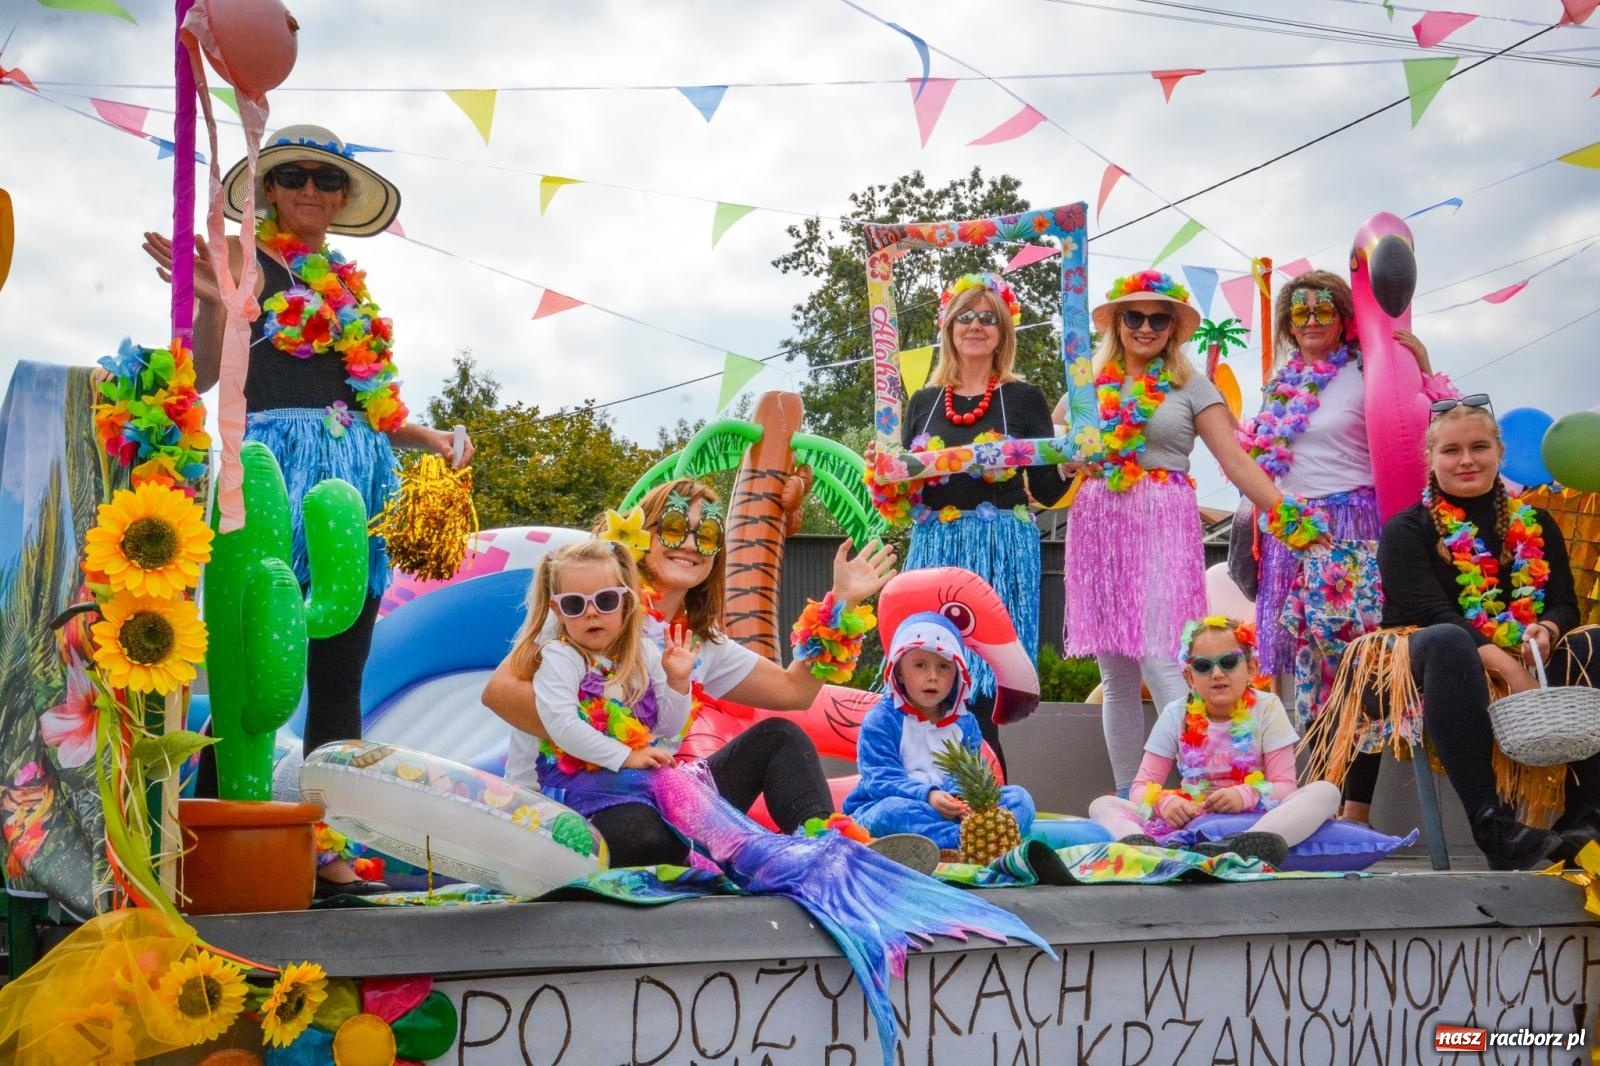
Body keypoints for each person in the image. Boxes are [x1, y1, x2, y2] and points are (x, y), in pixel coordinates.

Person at [142, 124, 473, 893]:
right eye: (293, 177)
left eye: (326, 180)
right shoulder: (240, 257)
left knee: (338, 673)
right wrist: (211, 304)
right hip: (273, 473)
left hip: (359, 474)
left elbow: (369, 398)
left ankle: (329, 849)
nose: (311, 191)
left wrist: (429, 437)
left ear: (345, 195)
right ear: (266, 189)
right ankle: (214, 841)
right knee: (249, 667)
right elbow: (201, 377)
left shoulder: (346, 284)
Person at [481, 478, 939, 870]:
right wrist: (613, 749)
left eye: (705, 535)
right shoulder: (586, 608)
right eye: (674, 528)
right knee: (642, 836)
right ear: (640, 536)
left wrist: (842, 605)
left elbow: (795, 690)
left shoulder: (702, 644)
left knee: (778, 738)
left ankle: (831, 853)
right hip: (566, 805)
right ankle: (730, 855)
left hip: (660, 797)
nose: (688, 544)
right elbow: (499, 693)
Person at [1063, 270, 1329, 797]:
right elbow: (1057, 447)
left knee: (1163, 660)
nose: (1145, 327)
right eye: (1134, 316)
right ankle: (1132, 798)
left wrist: (1288, 517)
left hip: (1161, 521)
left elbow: (1235, 460)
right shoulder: (1086, 381)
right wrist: (1070, 458)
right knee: (1117, 675)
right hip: (1098, 527)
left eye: (1158, 318)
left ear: (1172, 328)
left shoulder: (1190, 384)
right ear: (1117, 322)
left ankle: (1197, 791)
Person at [1328, 398, 1600, 869]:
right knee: (1448, 641)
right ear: (1431, 459)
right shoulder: (1407, 529)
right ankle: (1492, 824)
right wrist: (1511, 670)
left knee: (1593, 640)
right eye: (1451, 450)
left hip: (1518, 653)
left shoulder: (1536, 523)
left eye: (1479, 447)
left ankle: (1586, 818)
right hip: (1419, 661)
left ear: (1500, 453)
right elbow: (1431, 612)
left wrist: (1547, 627)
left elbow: (1563, 602)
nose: (1467, 460)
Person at [1236, 270, 1455, 823]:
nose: (1311, 320)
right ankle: (1319, 802)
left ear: (1344, 318)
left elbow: (1429, 430)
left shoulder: (1368, 369)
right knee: (1307, 670)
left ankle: (1355, 808)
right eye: (1300, 312)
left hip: (1352, 529)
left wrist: (1424, 372)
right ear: (1288, 322)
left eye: (1324, 310)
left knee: (1361, 668)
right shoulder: (1281, 381)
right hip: (1292, 531)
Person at [873, 273, 1070, 769]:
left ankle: (988, 799)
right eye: (965, 316)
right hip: (935, 548)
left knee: (979, 688)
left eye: (988, 318)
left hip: (999, 550)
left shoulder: (1024, 399)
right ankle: (921, 787)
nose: (976, 326)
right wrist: (884, 477)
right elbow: (905, 491)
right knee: (927, 673)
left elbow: (1046, 490)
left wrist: (1069, 465)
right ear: (948, 327)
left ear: (1003, 332)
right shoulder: (923, 402)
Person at [1087, 616, 1340, 866]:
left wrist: (1245, 795)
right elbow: (1140, 787)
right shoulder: (1176, 713)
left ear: (1251, 668)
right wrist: (1165, 803)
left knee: (1327, 792)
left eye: (1229, 662)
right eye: (1203, 666)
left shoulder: (1268, 707)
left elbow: (1285, 785)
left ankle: (1246, 845)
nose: (1217, 674)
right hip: (1192, 816)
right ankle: (1144, 848)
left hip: (1256, 817)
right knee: (1101, 804)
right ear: (1189, 677)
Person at [504, 539, 699, 840]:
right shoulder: (559, 656)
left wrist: (678, 682)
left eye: (606, 600)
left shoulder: (644, 653)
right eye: (575, 604)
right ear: (558, 610)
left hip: (622, 793)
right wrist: (627, 756)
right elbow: (563, 726)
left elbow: (667, 728)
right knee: (645, 829)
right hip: (548, 805)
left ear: (625, 601)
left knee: (770, 736)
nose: (591, 612)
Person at [843, 612, 1035, 849]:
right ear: (899, 671)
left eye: (944, 667)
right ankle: (970, 842)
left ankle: (965, 839)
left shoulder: (965, 723)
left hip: (954, 810)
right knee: (891, 813)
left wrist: (959, 800)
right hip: (897, 805)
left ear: (957, 673)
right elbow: (880, 779)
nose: (933, 677)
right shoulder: (881, 719)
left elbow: (969, 773)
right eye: (920, 665)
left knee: (1020, 799)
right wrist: (929, 795)